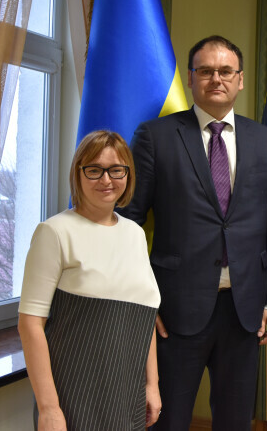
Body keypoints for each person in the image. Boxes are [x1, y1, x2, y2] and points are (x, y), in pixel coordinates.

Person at [120, 35, 267, 430]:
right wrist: (142, 301)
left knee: (235, 421)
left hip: (245, 310)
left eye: (226, 71)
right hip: (174, 308)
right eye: (206, 71)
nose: (216, 79)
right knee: (167, 420)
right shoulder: (155, 136)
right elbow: (127, 222)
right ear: (190, 77)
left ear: (241, 80)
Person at [18, 130, 161, 430]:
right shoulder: (54, 232)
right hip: (73, 399)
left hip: (128, 398)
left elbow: (145, 315)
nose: (106, 180)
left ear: (128, 175)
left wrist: (153, 385)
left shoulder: (135, 233)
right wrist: (49, 409)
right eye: (94, 170)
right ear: (78, 174)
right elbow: (30, 324)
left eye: (116, 170)